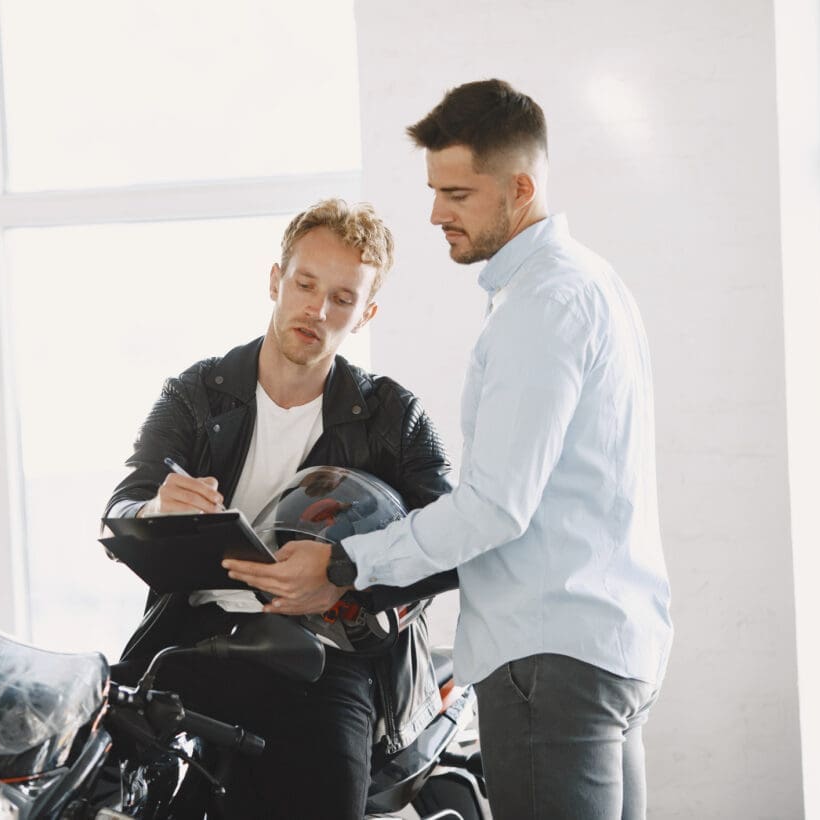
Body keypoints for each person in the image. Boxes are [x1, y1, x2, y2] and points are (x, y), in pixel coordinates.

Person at [225, 80, 674, 819]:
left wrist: (342, 563)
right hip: (609, 645)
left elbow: (494, 507)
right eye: (435, 191)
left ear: (520, 188)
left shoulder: (541, 306)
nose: (436, 214)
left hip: (546, 654)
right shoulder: (593, 284)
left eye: (458, 194)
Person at [104, 198, 454, 819]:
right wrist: (157, 507)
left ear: (366, 313)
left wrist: (346, 574)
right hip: (194, 639)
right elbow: (121, 507)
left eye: (343, 299)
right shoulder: (193, 394)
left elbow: (452, 540)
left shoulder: (395, 417)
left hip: (326, 656)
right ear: (276, 280)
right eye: (305, 284)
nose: (317, 310)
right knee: (99, 782)